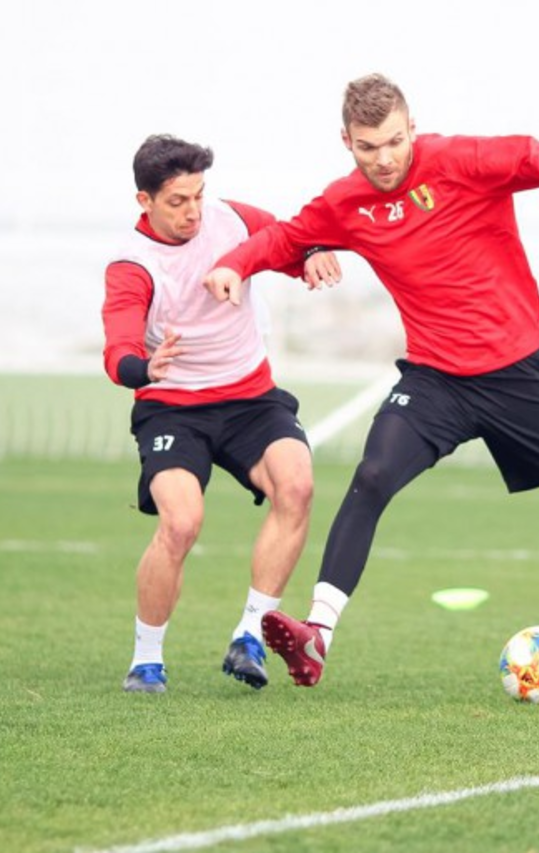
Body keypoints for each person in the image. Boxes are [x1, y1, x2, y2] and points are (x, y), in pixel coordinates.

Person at [203, 72, 539, 689]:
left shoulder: (460, 161)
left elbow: (528, 152)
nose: (384, 159)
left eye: (394, 142)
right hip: (436, 379)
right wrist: (233, 264)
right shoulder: (346, 203)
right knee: (372, 475)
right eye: (368, 147)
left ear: (412, 128)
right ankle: (318, 632)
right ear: (347, 141)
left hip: (519, 377)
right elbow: (285, 238)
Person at [103, 134, 340, 693]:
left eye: (198, 196)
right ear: (145, 201)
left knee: (297, 485)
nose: (193, 212)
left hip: (250, 399)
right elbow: (118, 352)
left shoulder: (231, 220)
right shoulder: (132, 265)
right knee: (181, 522)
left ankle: (250, 635)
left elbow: (289, 239)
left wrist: (312, 254)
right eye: (177, 201)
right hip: (172, 409)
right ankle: (146, 661)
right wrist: (145, 367)